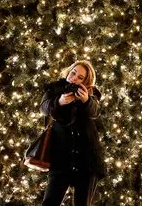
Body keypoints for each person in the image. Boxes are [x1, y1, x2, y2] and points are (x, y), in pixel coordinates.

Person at [40, 60, 107, 206]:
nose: (74, 78)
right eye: (73, 72)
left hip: (87, 159)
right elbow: (44, 108)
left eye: (80, 77)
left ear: (86, 81)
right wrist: (60, 101)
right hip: (60, 158)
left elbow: (95, 111)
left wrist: (86, 100)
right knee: (49, 202)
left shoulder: (90, 94)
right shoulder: (54, 88)